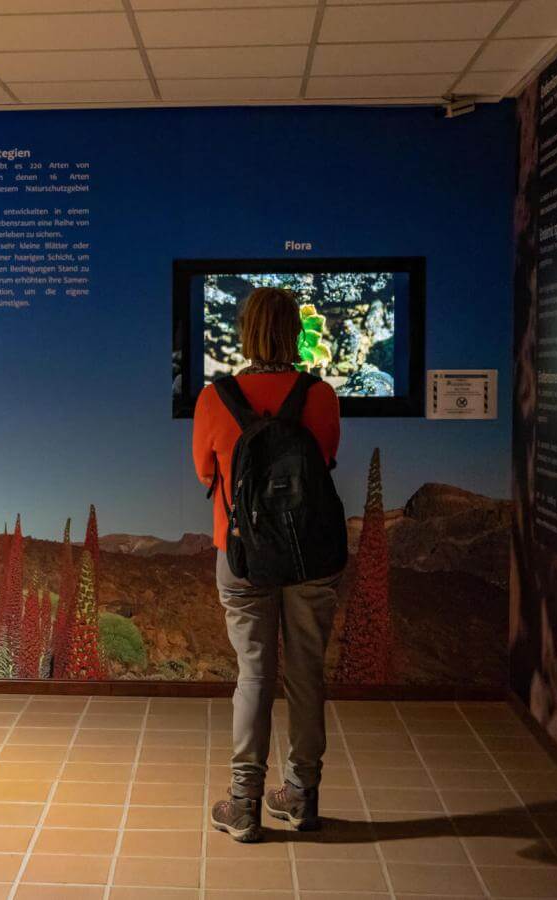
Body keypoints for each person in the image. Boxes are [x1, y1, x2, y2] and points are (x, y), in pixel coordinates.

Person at [192, 286, 343, 842]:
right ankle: (301, 798)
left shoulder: (216, 399)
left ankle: (245, 805)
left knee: (254, 674)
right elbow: (324, 461)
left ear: (245, 331)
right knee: (306, 675)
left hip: (241, 556)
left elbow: (207, 475)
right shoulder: (320, 394)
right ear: (295, 334)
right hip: (311, 555)